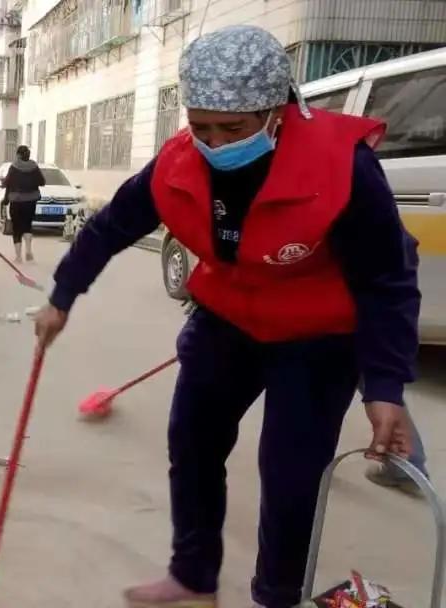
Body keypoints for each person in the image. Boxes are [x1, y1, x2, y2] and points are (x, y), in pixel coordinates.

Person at [32, 26, 420, 608]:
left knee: (291, 474)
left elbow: (387, 281)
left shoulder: (343, 169)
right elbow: (111, 226)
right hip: (227, 318)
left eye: (232, 129)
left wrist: (384, 384)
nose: (214, 142)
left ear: (277, 111)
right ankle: (193, 577)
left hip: (318, 337)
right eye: (201, 125)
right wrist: (62, 296)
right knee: (191, 443)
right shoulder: (178, 163)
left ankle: (276, 595)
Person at [0, 145, 45, 262]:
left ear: (18, 155)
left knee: (17, 228)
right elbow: (42, 182)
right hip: (30, 201)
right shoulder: (34, 166)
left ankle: (18, 256)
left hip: (16, 201)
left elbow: (6, 183)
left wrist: (3, 182)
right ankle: (29, 251)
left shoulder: (14, 167)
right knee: (28, 225)